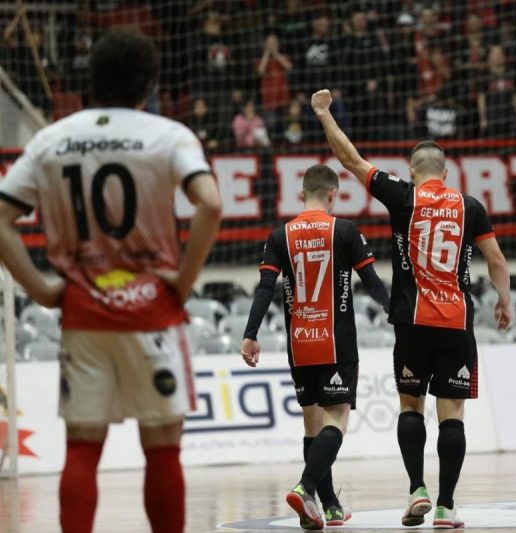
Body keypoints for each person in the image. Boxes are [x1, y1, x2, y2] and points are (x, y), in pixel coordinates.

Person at [0, 31, 222, 533]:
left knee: (82, 448)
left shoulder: (50, 139)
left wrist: (39, 289)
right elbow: (210, 202)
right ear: (148, 84)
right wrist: (183, 281)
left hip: (84, 313)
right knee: (162, 446)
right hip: (154, 313)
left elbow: (1, 219)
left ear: (90, 83)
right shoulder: (169, 135)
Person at [311, 89, 512, 529]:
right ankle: (446, 505)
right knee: (452, 414)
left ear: (412, 171)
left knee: (410, 406)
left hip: (411, 321)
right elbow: (496, 260)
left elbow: (351, 160)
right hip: (456, 322)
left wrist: (325, 115)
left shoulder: (402, 196)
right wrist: (504, 299)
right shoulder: (469, 206)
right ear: (446, 171)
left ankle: (416, 489)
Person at [240, 164, 390, 530]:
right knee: (336, 420)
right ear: (334, 195)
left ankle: (329, 507)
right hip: (336, 342)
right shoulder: (345, 230)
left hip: (299, 342)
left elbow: (265, 289)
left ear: (301, 194)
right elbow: (370, 281)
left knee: (312, 425)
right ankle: (305, 487)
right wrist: (396, 311)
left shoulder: (280, 235)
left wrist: (250, 334)